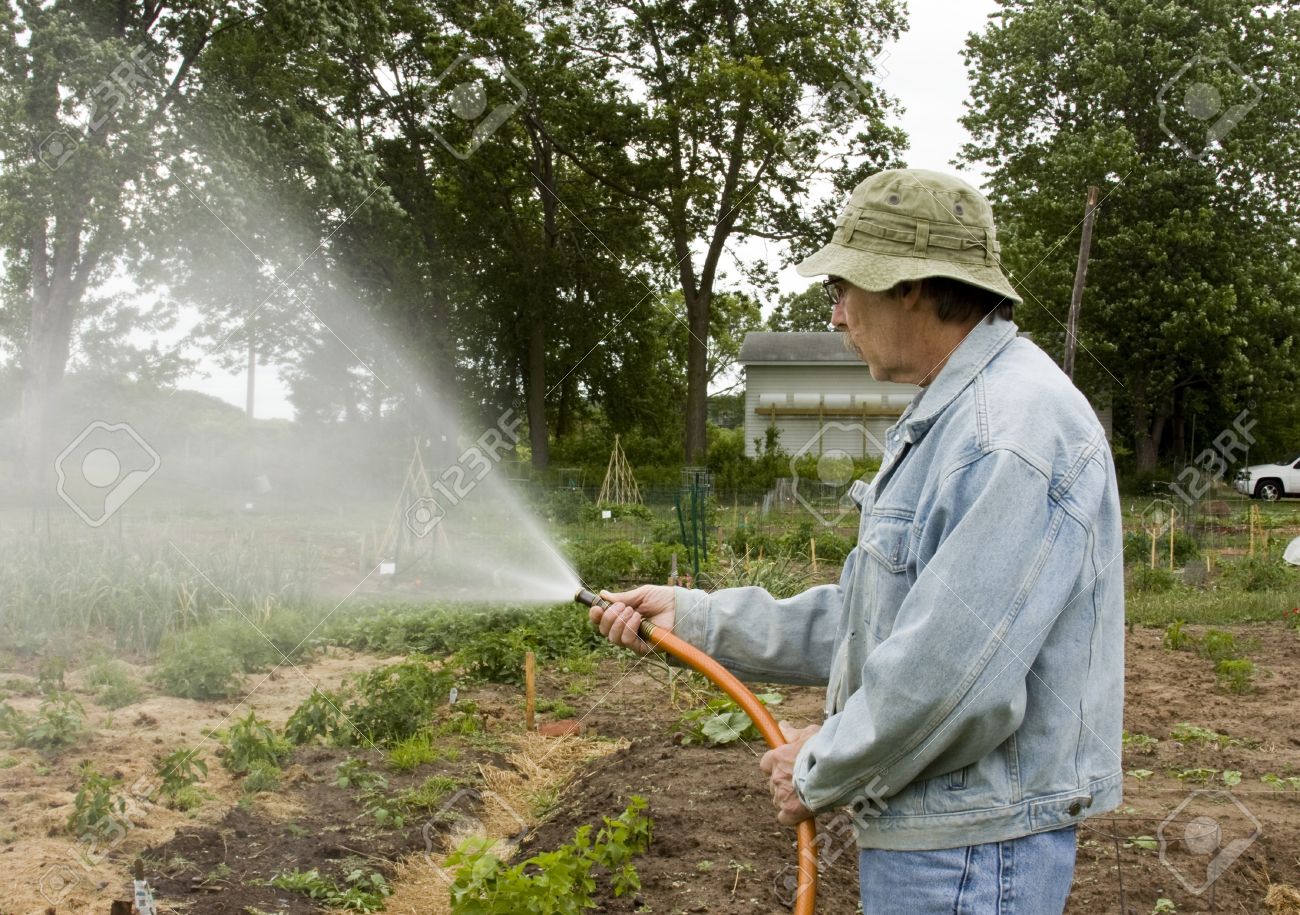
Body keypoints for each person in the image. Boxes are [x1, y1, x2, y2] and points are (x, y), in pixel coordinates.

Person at [589, 169, 1124, 914]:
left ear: (909, 285)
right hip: (943, 840)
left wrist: (819, 763)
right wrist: (700, 619)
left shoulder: (1009, 431)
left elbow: (949, 671)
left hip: (969, 855)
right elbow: (876, 618)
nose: (837, 315)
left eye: (843, 287)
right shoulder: (955, 415)